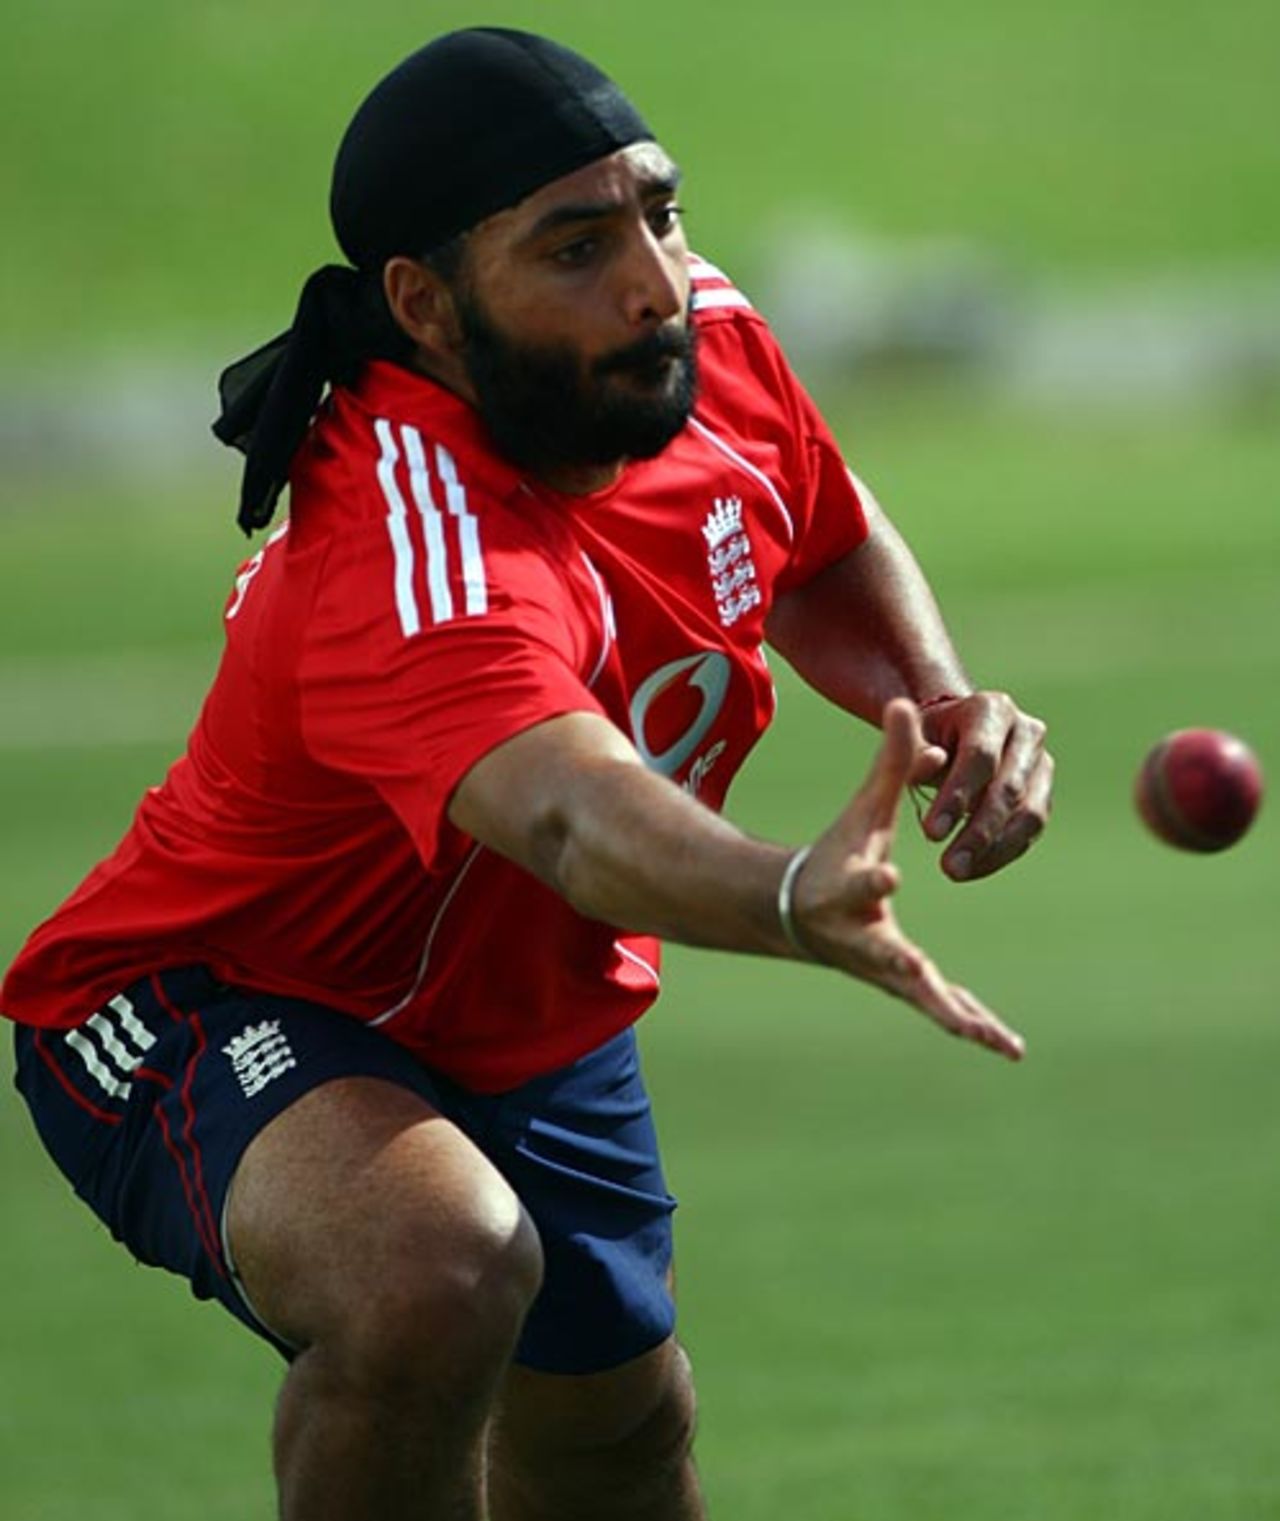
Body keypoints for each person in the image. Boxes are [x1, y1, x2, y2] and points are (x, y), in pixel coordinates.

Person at [3, 27, 1052, 1521]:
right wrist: (788, 891)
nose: (651, 279)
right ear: (427, 306)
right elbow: (564, 808)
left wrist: (939, 700)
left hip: (523, 1009)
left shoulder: (692, 339)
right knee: (437, 1268)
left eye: (659, 213)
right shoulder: (410, 534)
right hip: (207, 990)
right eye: (574, 247)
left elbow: (817, 529)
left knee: (621, 1443)